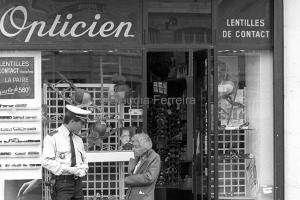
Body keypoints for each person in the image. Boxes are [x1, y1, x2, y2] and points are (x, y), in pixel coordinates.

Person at [41, 104, 91, 200]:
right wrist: (69, 169)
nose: (83, 126)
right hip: (62, 183)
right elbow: (46, 161)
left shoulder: (78, 139)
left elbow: (84, 159)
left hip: (78, 183)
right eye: (82, 123)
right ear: (72, 121)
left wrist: (84, 168)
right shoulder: (52, 137)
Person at [125, 132, 161, 200]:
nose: (133, 149)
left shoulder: (154, 157)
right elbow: (131, 173)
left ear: (144, 148)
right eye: (133, 146)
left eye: (136, 147)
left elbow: (149, 177)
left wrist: (129, 179)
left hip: (143, 197)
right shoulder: (136, 157)